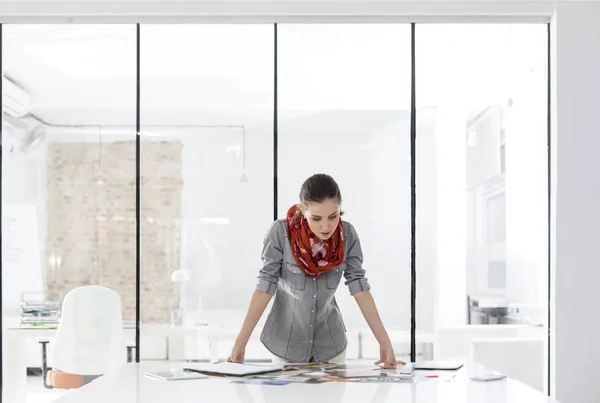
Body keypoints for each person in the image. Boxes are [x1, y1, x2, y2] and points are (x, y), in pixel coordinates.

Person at [228, 173, 404, 368]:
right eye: (316, 218)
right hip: (286, 346)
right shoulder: (280, 233)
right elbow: (264, 288)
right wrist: (239, 345)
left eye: (333, 216)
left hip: (331, 347)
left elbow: (360, 289)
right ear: (303, 211)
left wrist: (384, 343)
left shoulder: (348, 235)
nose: (326, 226)